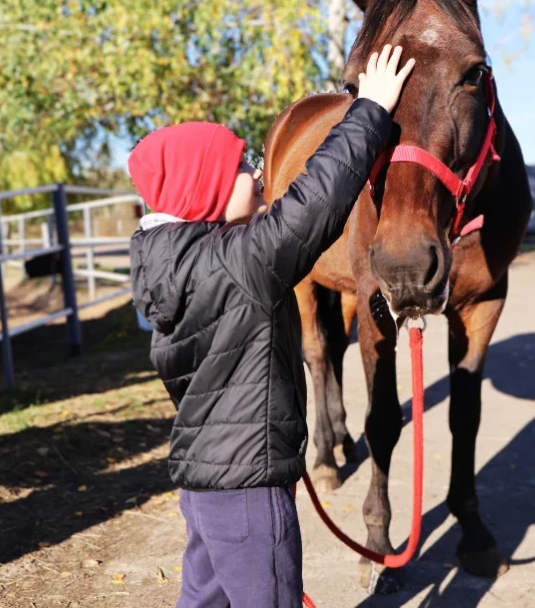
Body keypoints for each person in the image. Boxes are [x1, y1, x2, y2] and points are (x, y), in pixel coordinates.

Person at [128, 45, 415, 608]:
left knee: (205, 600)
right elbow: (316, 202)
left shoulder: (167, 265)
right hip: (249, 493)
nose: (258, 171)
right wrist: (372, 110)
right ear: (203, 191)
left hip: (205, 485)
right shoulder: (238, 262)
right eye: (239, 166)